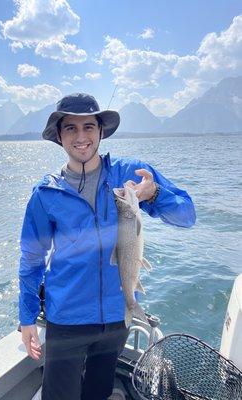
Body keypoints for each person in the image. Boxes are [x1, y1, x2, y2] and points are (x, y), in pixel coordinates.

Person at [19, 93, 196, 400]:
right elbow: (32, 259)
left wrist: (154, 194)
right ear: (59, 136)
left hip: (117, 319)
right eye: (71, 128)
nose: (81, 136)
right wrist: (26, 318)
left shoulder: (130, 174)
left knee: (98, 392)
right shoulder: (45, 193)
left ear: (101, 131)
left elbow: (186, 215)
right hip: (67, 320)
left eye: (89, 126)